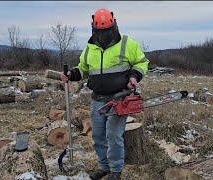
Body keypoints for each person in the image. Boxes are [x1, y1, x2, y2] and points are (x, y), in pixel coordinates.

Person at [59, 7, 149, 180]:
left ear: (113, 26)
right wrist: (71, 74)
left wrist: (134, 76)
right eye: (100, 31)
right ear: (94, 28)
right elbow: (83, 69)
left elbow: (141, 62)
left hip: (119, 97)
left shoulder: (126, 43)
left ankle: (116, 171)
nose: (103, 34)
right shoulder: (90, 47)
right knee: (98, 136)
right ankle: (104, 167)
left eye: (106, 31)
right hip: (98, 99)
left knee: (113, 135)